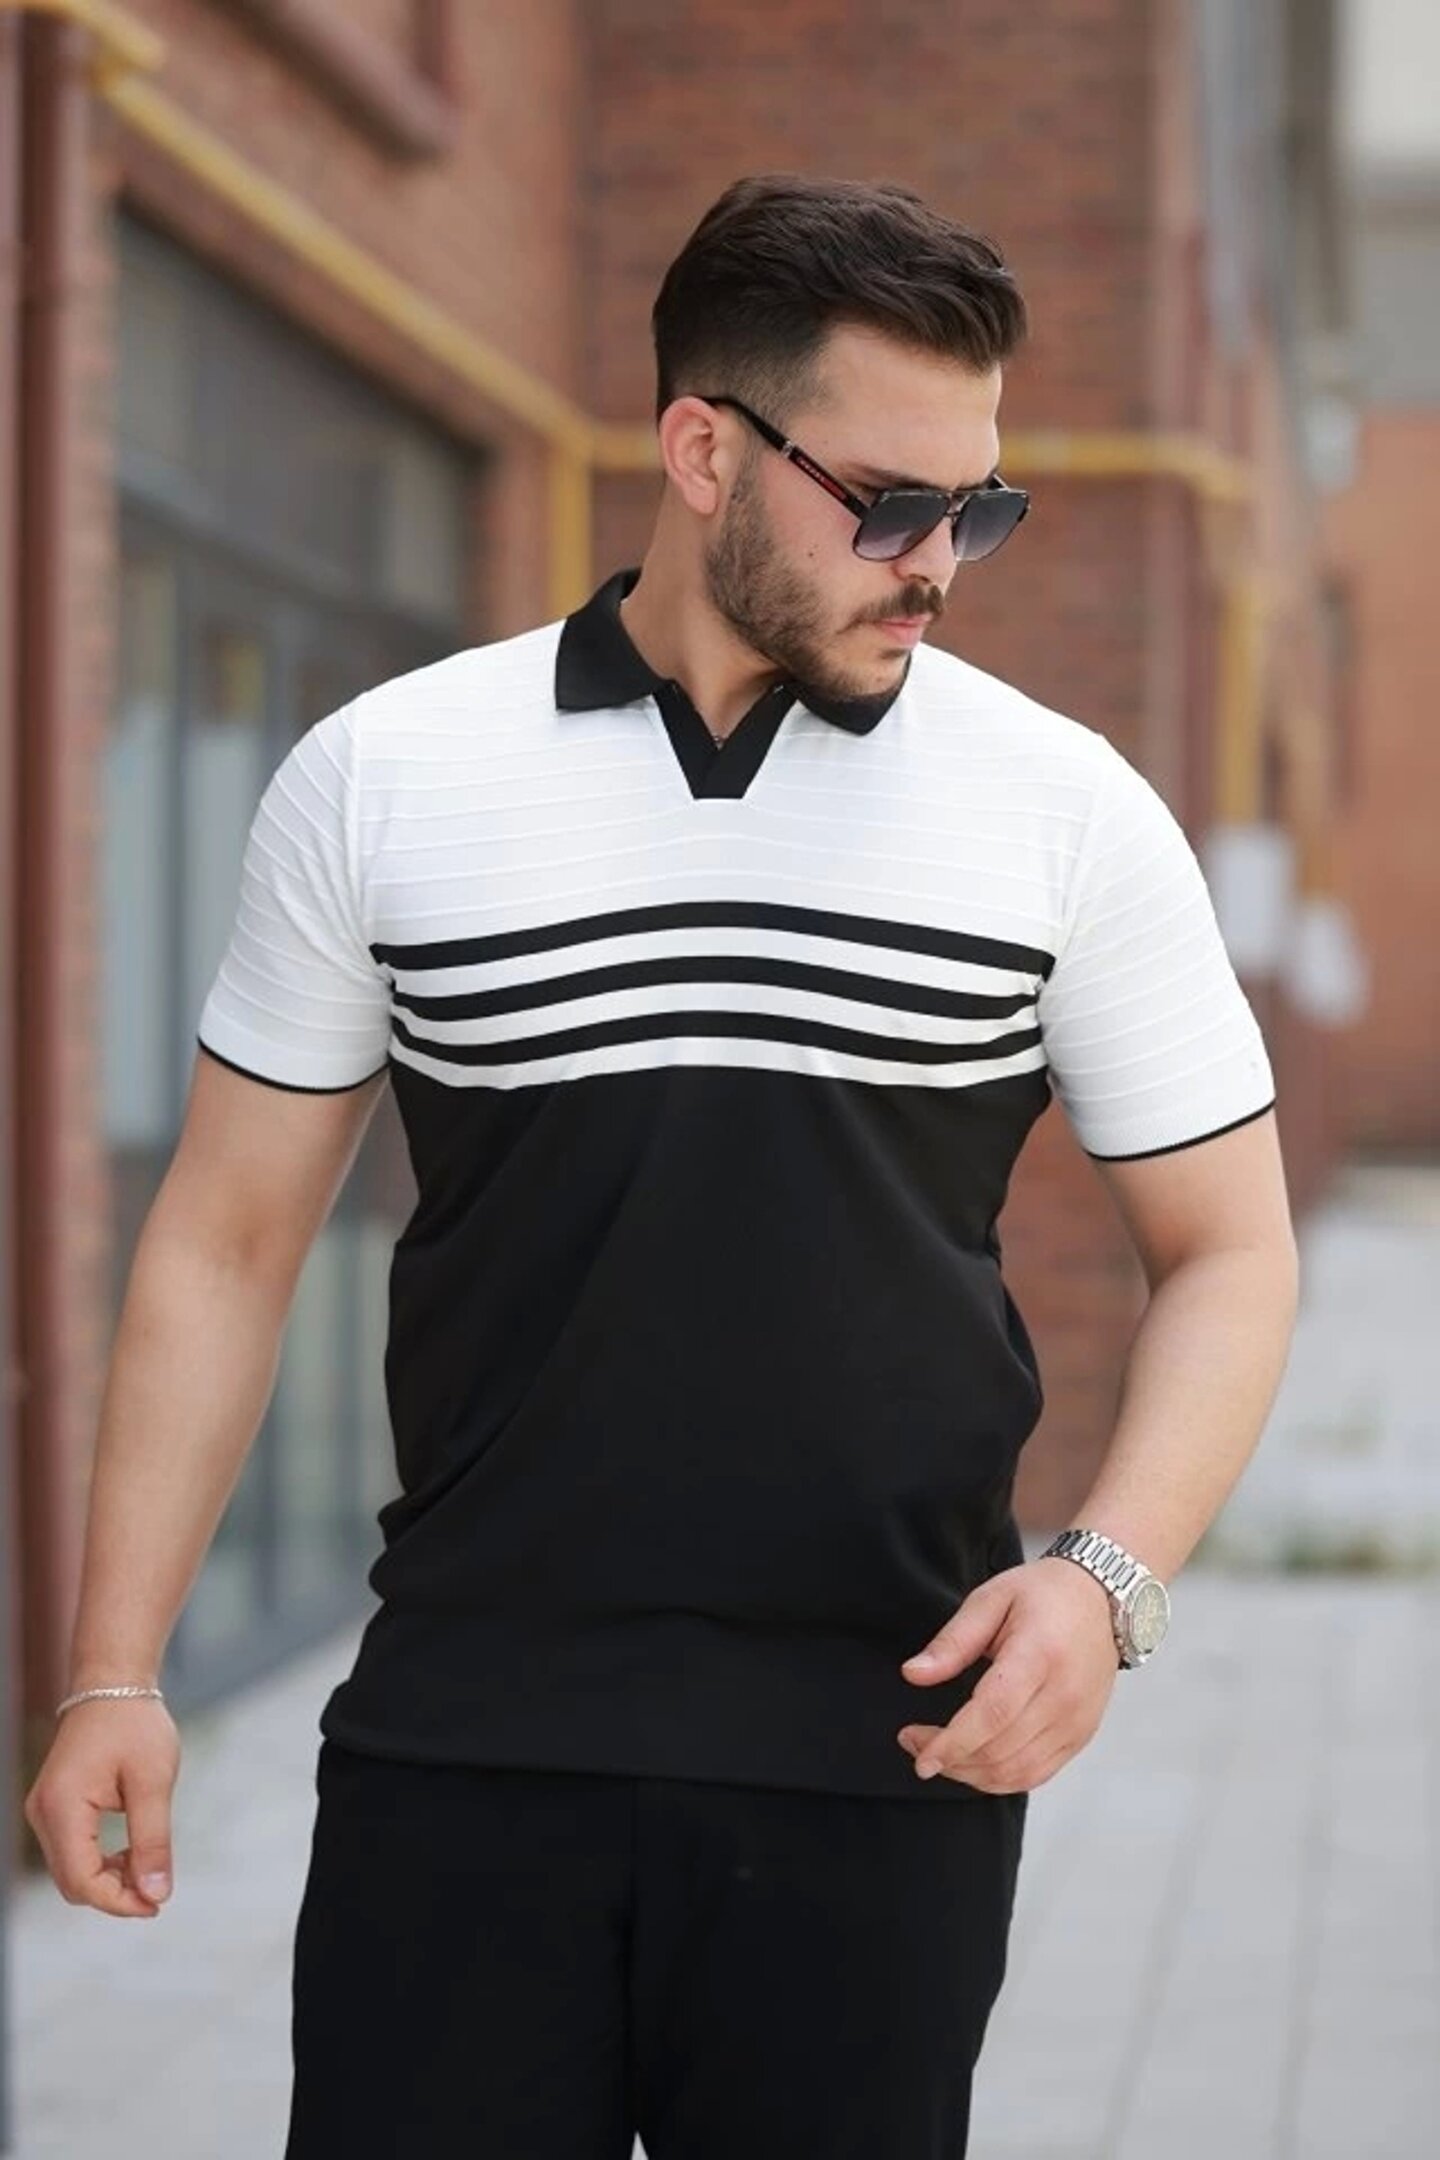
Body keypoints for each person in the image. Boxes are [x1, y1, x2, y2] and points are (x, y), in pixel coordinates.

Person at [26, 172, 1299, 2159]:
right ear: (703, 452)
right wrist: (114, 1674)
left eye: (979, 509)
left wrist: (1104, 1581)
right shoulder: (387, 777)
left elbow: (1230, 1247)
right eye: (890, 504)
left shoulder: (1066, 812)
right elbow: (225, 1238)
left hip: (885, 1756)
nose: (939, 565)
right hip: (465, 1745)